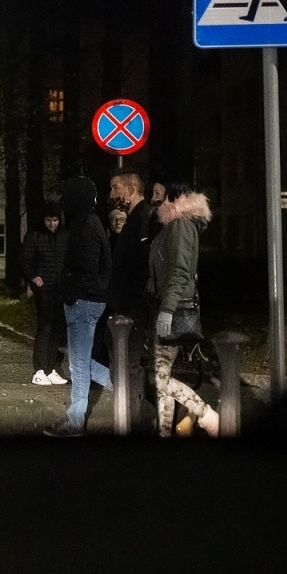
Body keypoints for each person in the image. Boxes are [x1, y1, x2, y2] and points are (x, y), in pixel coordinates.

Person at [148, 183, 219, 437]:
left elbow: (179, 271)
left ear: (174, 198)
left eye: (162, 196)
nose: (157, 201)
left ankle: (205, 414)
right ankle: (165, 432)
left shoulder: (179, 225)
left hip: (174, 309)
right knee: (162, 375)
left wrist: (167, 310)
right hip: (169, 306)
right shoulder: (178, 225)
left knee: (160, 378)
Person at [45, 176, 111, 437]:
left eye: (68, 196)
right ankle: (129, 387)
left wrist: (70, 292)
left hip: (83, 301)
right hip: (86, 300)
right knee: (79, 362)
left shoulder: (85, 226)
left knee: (80, 365)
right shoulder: (90, 222)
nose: (64, 202)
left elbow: (86, 270)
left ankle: (75, 421)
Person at [106, 169, 158, 417]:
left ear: (130, 189)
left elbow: (143, 266)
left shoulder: (144, 218)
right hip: (125, 306)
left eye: (115, 188)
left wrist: (131, 302)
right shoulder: (134, 218)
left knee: (129, 365)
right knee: (123, 364)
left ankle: (133, 418)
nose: (112, 194)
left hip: (132, 309)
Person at [20, 201, 68, 386]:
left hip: (60, 288)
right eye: (49, 220)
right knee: (45, 327)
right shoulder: (34, 236)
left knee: (56, 329)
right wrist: (33, 277)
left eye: (55, 220)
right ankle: (39, 369)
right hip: (43, 289)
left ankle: (50, 367)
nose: (52, 224)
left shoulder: (64, 236)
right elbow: (24, 260)